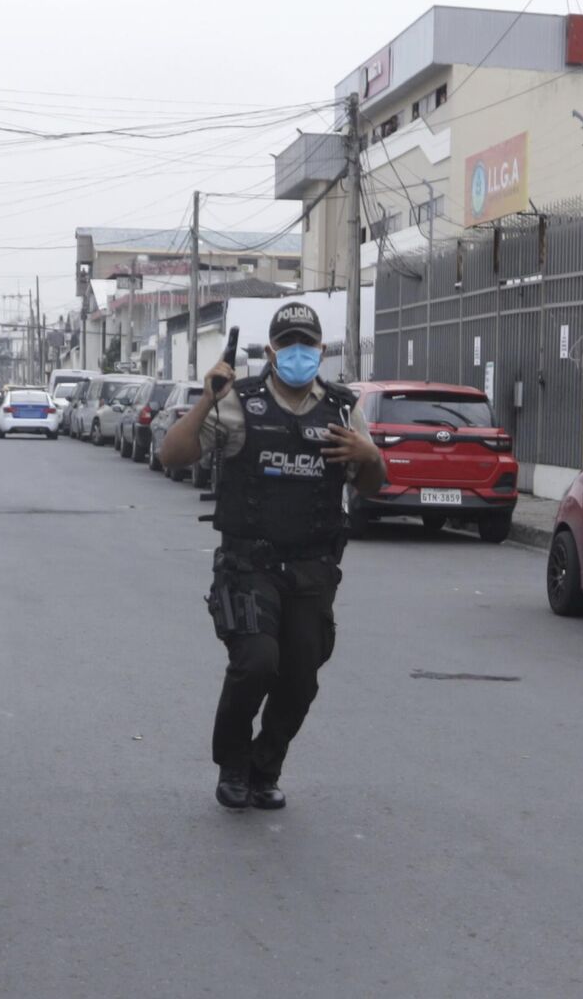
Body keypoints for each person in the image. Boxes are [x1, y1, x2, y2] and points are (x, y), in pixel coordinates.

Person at [158, 302, 385, 811]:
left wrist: (370, 457)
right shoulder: (238, 402)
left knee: (301, 678)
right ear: (271, 350)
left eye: (307, 343)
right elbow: (172, 455)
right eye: (288, 343)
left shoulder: (343, 410)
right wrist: (206, 398)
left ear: (320, 350)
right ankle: (233, 765)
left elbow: (371, 483)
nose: (298, 351)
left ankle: (266, 768)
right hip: (250, 565)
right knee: (256, 663)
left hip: (312, 569)